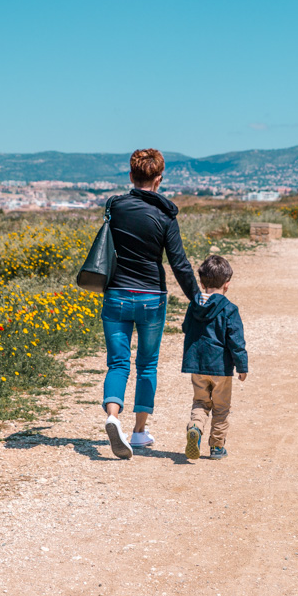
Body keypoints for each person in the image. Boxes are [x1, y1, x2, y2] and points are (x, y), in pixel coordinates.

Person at [101, 149, 200, 460]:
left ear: (131, 177)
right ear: (159, 179)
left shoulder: (114, 207)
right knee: (146, 365)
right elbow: (179, 264)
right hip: (151, 298)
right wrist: (197, 298)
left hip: (116, 293)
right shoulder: (165, 216)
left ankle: (112, 417)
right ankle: (139, 431)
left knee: (118, 363)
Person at [182, 255, 248, 461]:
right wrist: (242, 366)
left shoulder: (194, 305)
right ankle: (217, 447)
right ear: (227, 284)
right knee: (221, 408)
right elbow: (236, 341)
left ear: (201, 283)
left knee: (200, 402)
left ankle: (195, 428)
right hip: (221, 368)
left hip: (197, 365)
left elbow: (186, 328)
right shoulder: (229, 309)